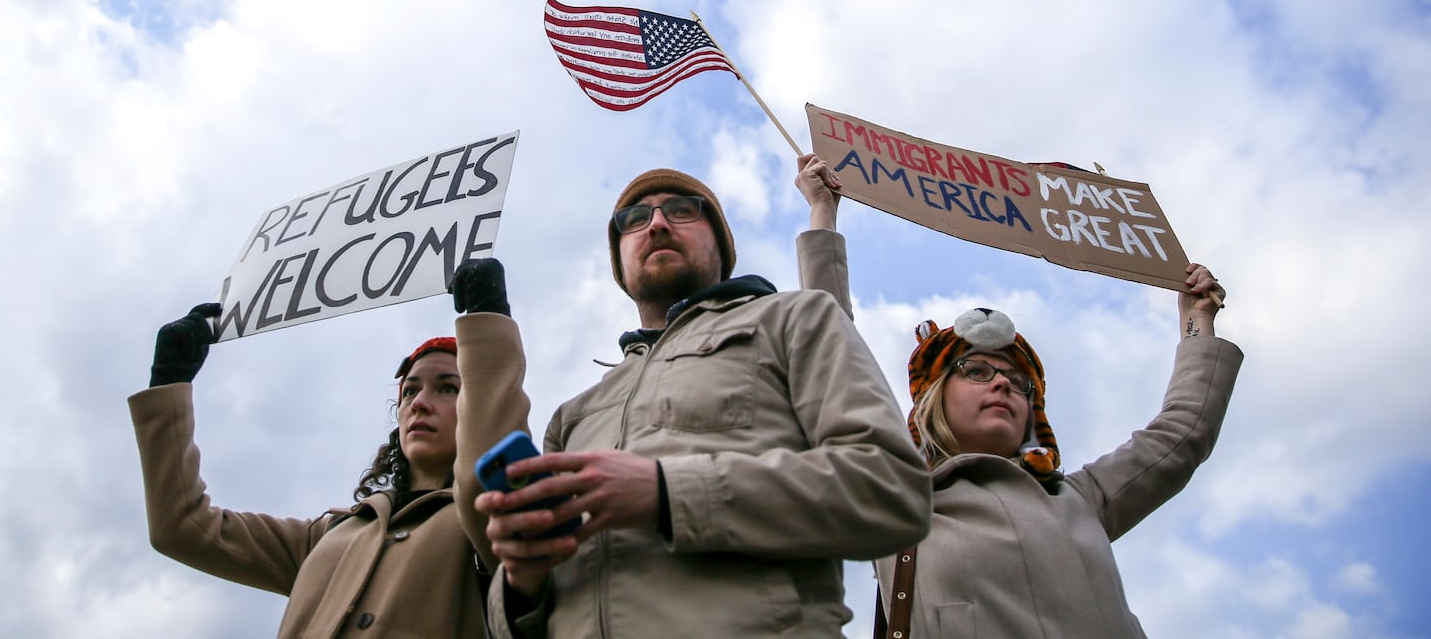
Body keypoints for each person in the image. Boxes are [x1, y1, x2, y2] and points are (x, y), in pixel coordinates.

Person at [795, 153, 1243, 638]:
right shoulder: (892, 500)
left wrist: (1196, 319)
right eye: (977, 371)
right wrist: (823, 211)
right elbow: (833, 352)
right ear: (934, 399)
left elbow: (1184, 430)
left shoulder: (1081, 499)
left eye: (1017, 380)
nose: (1003, 383)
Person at [473, 167, 932, 638]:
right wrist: (521, 581)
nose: (656, 224)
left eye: (681, 209)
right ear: (620, 262)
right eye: (634, 219)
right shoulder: (573, 415)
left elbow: (892, 486)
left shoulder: (793, 320)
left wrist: (668, 492)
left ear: (722, 246)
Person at [128, 259, 527, 638]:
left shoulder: (494, 521)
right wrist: (169, 381)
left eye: (448, 388)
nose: (419, 403)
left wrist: (488, 321)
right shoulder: (327, 536)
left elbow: (490, 476)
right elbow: (180, 527)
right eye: (410, 391)